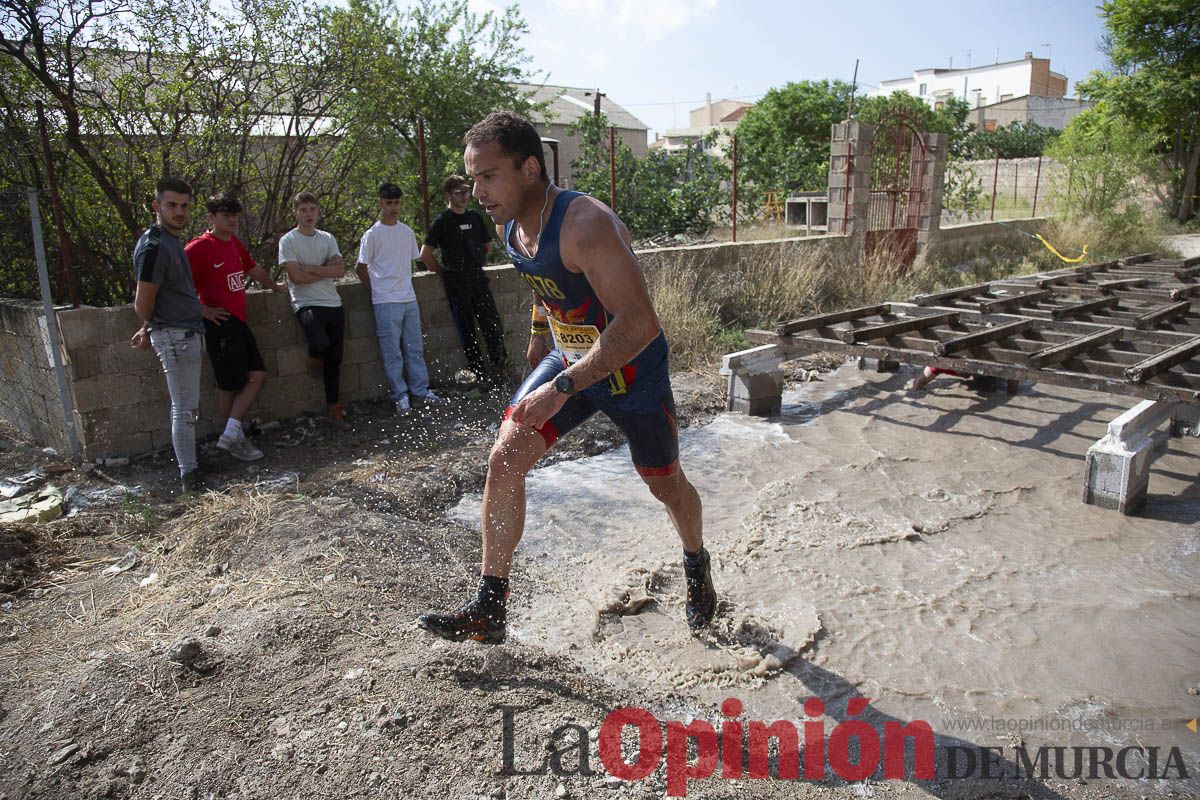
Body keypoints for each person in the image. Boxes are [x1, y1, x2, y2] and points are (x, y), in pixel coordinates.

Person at [417, 112, 716, 645]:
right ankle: (491, 605)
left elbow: (640, 323)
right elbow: (543, 284)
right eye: (472, 177)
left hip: (631, 372)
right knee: (505, 454)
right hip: (569, 360)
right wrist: (539, 338)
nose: (476, 190)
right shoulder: (510, 226)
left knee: (664, 484)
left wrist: (559, 389)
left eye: (488, 176)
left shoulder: (584, 225)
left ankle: (696, 562)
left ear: (529, 168)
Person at [186, 194, 282, 461]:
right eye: (225, 215)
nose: (231, 220)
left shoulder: (234, 243)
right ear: (212, 217)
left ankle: (231, 432)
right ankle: (231, 436)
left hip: (238, 321)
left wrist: (274, 286)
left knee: (257, 374)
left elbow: (253, 268)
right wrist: (201, 309)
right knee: (228, 384)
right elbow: (178, 286)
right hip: (219, 323)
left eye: (235, 216)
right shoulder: (198, 248)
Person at [130, 177, 206, 493]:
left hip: (182, 333)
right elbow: (143, 302)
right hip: (175, 337)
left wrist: (148, 326)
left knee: (188, 408)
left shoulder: (170, 241)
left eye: (184, 206)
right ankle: (190, 476)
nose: (179, 212)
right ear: (156, 205)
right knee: (184, 409)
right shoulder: (155, 246)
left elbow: (164, 295)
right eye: (172, 205)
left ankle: (191, 467)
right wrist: (150, 324)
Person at [355, 182, 440, 415]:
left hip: (408, 297)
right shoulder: (371, 234)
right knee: (392, 352)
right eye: (389, 203)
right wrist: (376, 291)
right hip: (385, 300)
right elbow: (360, 267)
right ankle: (400, 395)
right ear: (381, 203)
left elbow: (412, 261)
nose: (393, 208)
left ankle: (420, 391)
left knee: (415, 348)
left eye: (396, 203)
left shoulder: (406, 232)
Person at [420, 174, 508, 388]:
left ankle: (500, 370)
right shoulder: (443, 221)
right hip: (456, 282)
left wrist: (474, 255)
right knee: (467, 331)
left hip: (477, 279)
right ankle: (479, 375)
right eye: (459, 192)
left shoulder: (475, 218)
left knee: (492, 325)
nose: (465, 196)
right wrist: (443, 273)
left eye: (466, 191)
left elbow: (487, 245)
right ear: (448, 194)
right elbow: (426, 254)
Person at [278, 192, 350, 428]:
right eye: (303, 210)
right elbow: (296, 278)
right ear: (295, 213)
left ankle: (333, 408)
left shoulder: (327, 238)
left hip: (333, 302)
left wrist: (309, 268)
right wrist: (322, 269)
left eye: (312, 209)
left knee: (335, 360)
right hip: (307, 304)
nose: (308, 214)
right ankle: (314, 356)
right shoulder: (288, 241)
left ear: (318, 211)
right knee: (320, 343)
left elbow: (340, 272)